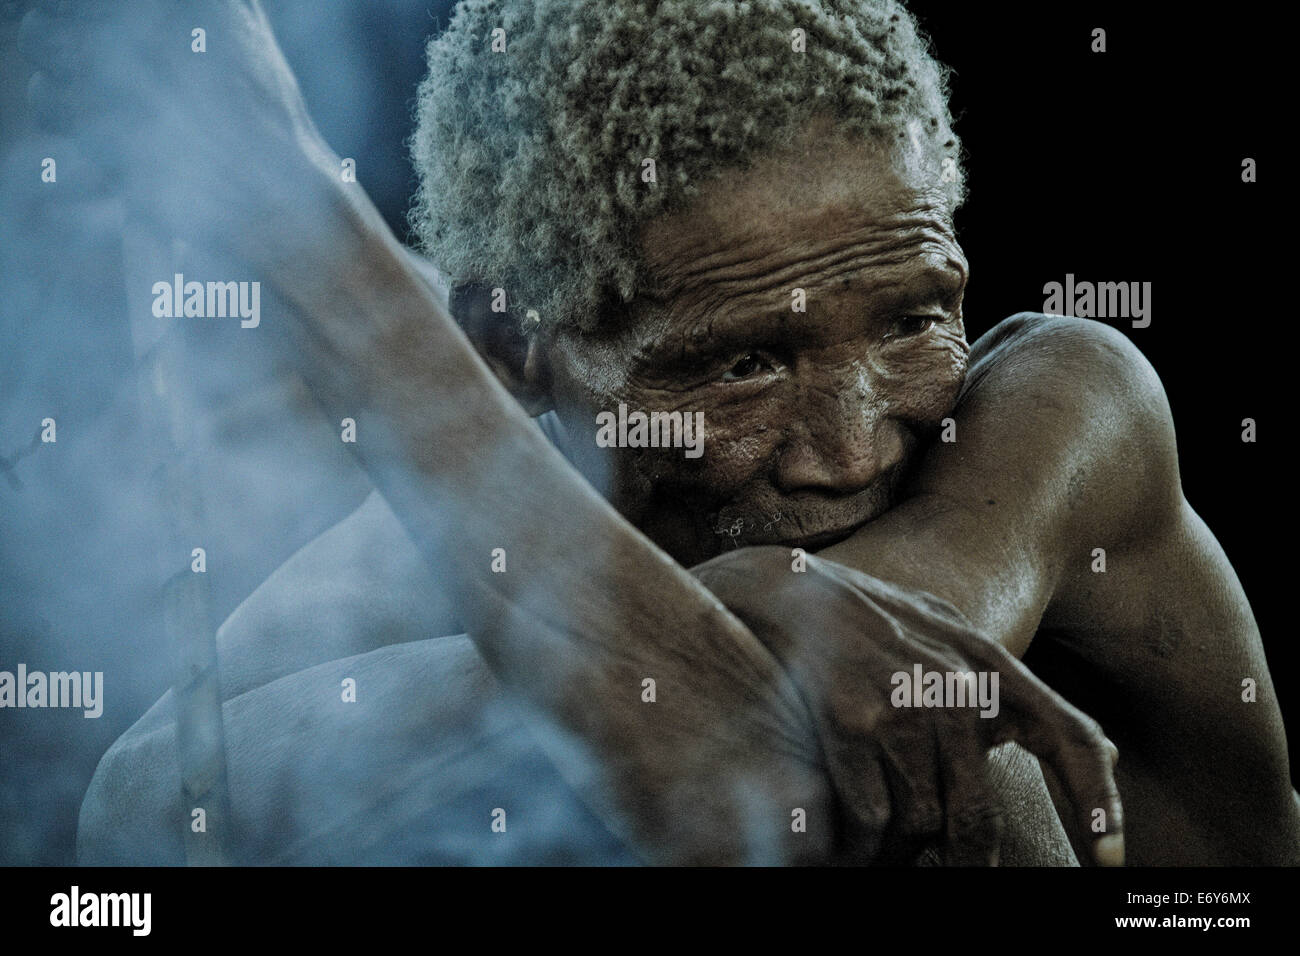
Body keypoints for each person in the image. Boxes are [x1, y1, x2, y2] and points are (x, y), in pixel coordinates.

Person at [52, 0, 1296, 865]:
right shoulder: (449, 535)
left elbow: (798, 755)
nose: (853, 449)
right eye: (743, 363)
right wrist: (740, 591)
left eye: (916, 317)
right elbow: (145, 808)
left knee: (947, 783)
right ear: (511, 349)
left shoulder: (1068, 403)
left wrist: (322, 268)